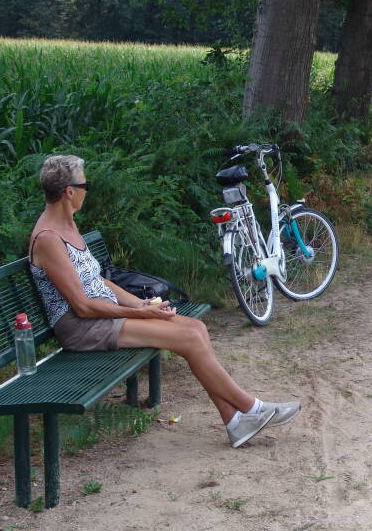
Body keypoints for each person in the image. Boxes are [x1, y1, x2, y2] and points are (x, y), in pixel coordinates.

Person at [28, 154, 300, 448]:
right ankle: (252, 408)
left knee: (196, 328)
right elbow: (82, 306)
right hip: (83, 327)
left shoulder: (69, 226)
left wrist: (140, 305)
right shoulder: (49, 238)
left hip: (104, 315)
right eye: (86, 185)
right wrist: (142, 315)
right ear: (69, 192)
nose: (87, 191)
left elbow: (99, 281)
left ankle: (235, 421)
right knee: (189, 338)